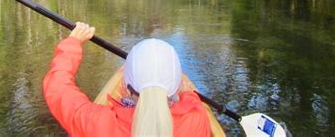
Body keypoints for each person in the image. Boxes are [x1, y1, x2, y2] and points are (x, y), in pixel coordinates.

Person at [43, 22, 212, 137]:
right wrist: (188, 93)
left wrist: (73, 43)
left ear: (125, 86)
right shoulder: (197, 118)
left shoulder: (97, 123)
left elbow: (57, 88)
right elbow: (191, 99)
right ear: (176, 87)